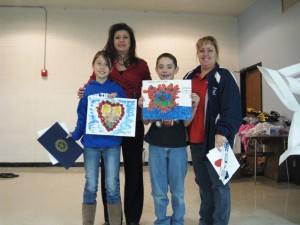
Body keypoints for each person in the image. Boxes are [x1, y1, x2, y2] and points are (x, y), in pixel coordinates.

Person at [78, 23, 152, 225]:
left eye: (125, 37)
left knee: (134, 170)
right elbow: (92, 84)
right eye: (117, 37)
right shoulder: (105, 62)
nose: (121, 40)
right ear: (112, 40)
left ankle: (133, 219)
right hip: (106, 127)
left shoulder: (141, 65)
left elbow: (150, 91)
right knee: (108, 175)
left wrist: (147, 104)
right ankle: (112, 219)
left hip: (132, 124)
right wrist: (83, 91)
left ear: (131, 41)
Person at [183, 36, 242, 225]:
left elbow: (232, 109)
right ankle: (205, 221)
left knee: (220, 186)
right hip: (196, 141)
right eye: (201, 50)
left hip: (218, 142)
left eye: (209, 50)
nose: (205, 54)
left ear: (216, 53)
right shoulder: (188, 78)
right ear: (197, 53)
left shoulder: (224, 76)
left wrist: (222, 131)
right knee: (204, 186)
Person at [68, 51, 125, 225]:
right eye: (98, 63)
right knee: (91, 185)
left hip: (112, 145)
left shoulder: (117, 89)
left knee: (112, 186)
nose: (102, 67)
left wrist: (119, 101)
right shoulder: (87, 90)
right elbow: (82, 116)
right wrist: (75, 134)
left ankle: (116, 222)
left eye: (106, 64)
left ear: (111, 68)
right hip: (91, 145)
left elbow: (125, 116)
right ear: (93, 66)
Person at [138, 53, 191, 225]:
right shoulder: (150, 91)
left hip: (178, 145)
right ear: (156, 70)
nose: (165, 70)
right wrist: (142, 106)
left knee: (178, 191)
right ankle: (161, 220)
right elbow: (146, 121)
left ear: (176, 69)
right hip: (157, 144)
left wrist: (194, 105)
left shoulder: (183, 91)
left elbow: (186, 122)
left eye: (169, 67)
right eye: (161, 66)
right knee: (159, 190)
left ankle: (177, 221)